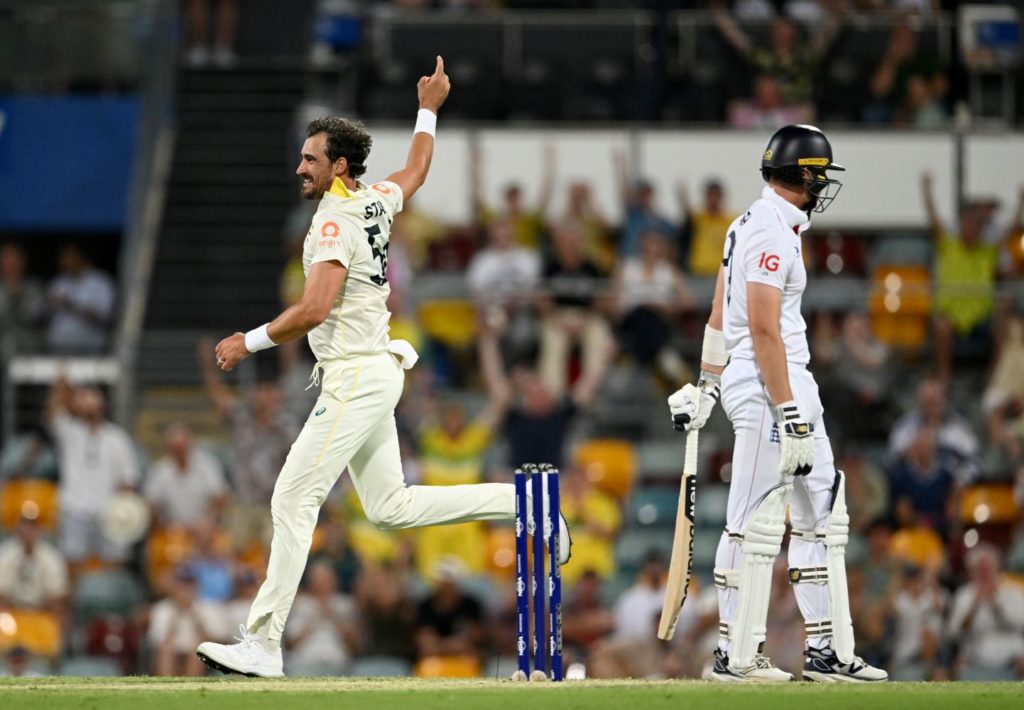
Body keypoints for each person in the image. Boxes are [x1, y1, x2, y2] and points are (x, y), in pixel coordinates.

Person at [195, 58, 570, 678]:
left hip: (354, 375)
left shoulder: (335, 219)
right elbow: (416, 171)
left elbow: (314, 309)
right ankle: (530, 510)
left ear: (339, 165)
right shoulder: (373, 200)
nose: (300, 168)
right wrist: (429, 108)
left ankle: (263, 642)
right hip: (374, 372)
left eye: (311, 159)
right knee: (390, 508)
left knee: (292, 496)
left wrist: (248, 341)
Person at [666, 125, 887, 682]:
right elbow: (761, 329)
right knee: (753, 521)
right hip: (771, 385)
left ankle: (826, 649)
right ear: (804, 175)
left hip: (785, 381)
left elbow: (719, 315)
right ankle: (734, 654)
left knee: (823, 517)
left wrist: (707, 386)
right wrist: (787, 412)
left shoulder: (750, 224)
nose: (823, 186)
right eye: (820, 176)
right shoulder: (769, 232)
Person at [47, 377, 139, 567]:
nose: (87, 401)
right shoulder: (69, 432)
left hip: (108, 512)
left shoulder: (117, 438)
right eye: (84, 397)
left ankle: (113, 596)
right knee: (72, 564)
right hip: (75, 510)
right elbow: (54, 410)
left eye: (92, 397)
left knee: (115, 564)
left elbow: (128, 479)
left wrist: (121, 510)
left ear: (102, 404)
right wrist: (61, 381)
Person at [946, 544, 1024, 680]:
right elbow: (954, 632)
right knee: (961, 667)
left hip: (1012, 661)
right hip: (975, 660)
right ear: (972, 572)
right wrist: (974, 606)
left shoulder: (1013, 592)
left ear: (996, 568)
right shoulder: (964, 595)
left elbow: (1020, 624)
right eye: (979, 570)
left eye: (988, 569)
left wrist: (996, 603)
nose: (984, 574)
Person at [144, 423, 228, 531]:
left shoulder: (208, 465)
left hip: (205, 527)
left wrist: (209, 520)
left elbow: (220, 497)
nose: (179, 452)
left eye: (181, 447)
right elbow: (150, 503)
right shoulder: (160, 470)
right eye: (175, 448)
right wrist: (161, 522)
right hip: (173, 529)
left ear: (190, 444)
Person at [46, 245, 116, 355]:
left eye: (70, 257)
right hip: (60, 349)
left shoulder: (101, 282)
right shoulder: (58, 283)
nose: (65, 262)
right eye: (64, 258)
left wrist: (71, 306)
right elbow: (45, 314)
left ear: (81, 257)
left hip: (89, 348)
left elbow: (104, 317)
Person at [0, 243, 46, 352]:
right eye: (6, 260)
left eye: (14, 260)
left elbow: (35, 316)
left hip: (29, 347)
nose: (10, 264)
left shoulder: (34, 287)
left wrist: (18, 297)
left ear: (22, 262)